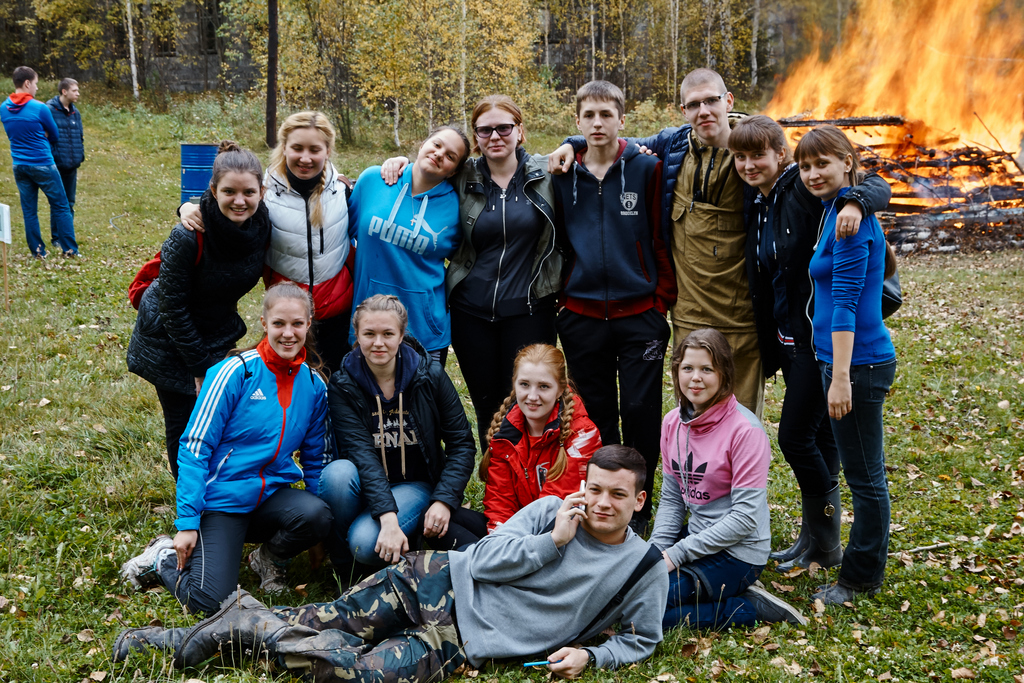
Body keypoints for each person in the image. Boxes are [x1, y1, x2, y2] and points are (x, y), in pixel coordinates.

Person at [112, 446, 670, 683]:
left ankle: (243, 621)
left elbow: (642, 640)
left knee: (358, 673)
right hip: (434, 580)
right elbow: (480, 560)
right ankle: (173, 641)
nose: (601, 503)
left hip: (463, 640)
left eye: (617, 495)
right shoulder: (551, 511)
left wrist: (593, 655)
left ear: (640, 500)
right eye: (595, 489)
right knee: (315, 620)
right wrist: (552, 542)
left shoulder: (641, 567)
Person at [551, 68, 764, 416]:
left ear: (728, 101)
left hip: (740, 313)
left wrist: (855, 198)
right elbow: (608, 137)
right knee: (692, 413)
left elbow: (799, 179)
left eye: (711, 101)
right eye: (694, 104)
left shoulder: (755, 149)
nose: (704, 111)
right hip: (687, 310)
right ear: (683, 110)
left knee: (741, 415)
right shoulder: (674, 145)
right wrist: (572, 144)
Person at [729, 115, 891, 572]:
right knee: (820, 437)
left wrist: (856, 201)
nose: (748, 165)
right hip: (790, 336)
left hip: (817, 343)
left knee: (795, 437)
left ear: (781, 156)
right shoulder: (756, 200)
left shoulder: (802, 190)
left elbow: (874, 183)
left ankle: (826, 534)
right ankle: (819, 541)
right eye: (740, 157)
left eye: (758, 155)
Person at [120, 283, 333, 614]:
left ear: (308, 324)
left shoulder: (314, 385)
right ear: (264, 323)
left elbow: (315, 458)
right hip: (222, 502)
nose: (288, 333)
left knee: (318, 515)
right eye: (279, 324)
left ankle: (268, 559)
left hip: (270, 498)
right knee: (208, 602)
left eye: (296, 324)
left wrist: (318, 536)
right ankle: (162, 557)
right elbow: (195, 447)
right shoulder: (236, 372)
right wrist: (187, 522)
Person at [381, 95, 562, 451]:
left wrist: (574, 143)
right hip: (471, 314)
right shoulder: (462, 176)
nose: (495, 136)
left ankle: (533, 478)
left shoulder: (547, 173)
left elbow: (600, 152)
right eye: (484, 130)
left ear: (520, 130)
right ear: (476, 136)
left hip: (530, 312)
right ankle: (496, 477)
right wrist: (399, 162)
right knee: (488, 407)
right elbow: (424, 171)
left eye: (504, 128)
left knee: (531, 405)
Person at [549, 80, 675, 535]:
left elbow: (659, 236)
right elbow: (559, 241)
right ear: (577, 121)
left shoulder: (647, 168)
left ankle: (639, 508)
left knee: (641, 411)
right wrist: (565, 301)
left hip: (640, 314)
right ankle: (601, 503)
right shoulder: (562, 173)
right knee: (598, 413)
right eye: (589, 115)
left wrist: (660, 301)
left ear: (622, 119)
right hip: (581, 316)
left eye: (607, 114)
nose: (598, 123)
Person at [127, 141, 272, 480]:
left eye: (248, 192)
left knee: (219, 419)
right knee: (186, 424)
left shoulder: (261, 223)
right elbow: (172, 309)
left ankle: (216, 491)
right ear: (213, 190)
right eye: (229, 191)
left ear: (262, 192)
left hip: (217, 331)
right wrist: (200, 368)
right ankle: (188, 500)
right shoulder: (189, 235)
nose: (239, 201)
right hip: (168, 338)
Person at [798, 126, 897, 605]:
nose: (813, 174)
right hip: (838, 361)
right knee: (862, 471)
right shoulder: (834, 210)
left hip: (858, 365)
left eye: (823, 164)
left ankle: (860, 578)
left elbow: (845, 304)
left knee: (865, 478)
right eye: (805, 166)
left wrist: (840, 379)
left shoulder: (851, 223)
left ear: (847, 163)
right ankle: (858, 567)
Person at [651, 329, 806, 630]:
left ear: (724, 373)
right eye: (688, 368)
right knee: (631, 591)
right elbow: (672, 499)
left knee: (649, 609)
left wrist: (677, 554)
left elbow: (745, 519)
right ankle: (724, 590)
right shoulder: (672, 422)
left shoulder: (746, 431)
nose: (696, 378)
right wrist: (656, 552)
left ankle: (747, 606)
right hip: (699, 537)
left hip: (738, 552)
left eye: (707, 369)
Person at [319, 294, 482, 578]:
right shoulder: (343, 384)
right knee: (337, 474)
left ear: (402, 334)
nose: (378, 343)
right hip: (365, 482)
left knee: (364, 543)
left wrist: (443, 500)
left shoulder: (429, 375)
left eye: (387, 334)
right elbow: (362, 455)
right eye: (369, 334)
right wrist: (388, 519)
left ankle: (401, 539)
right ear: (356, 334)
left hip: (415, 483)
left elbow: (462, 444)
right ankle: (345, 569)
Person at [179, 111, 353, 374]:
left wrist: (398, 163)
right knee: (286, 387)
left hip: (337, 314)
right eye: (297, 148)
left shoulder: (343, 191)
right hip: (287, 317)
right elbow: (222, 205)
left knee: (334, 387)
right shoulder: (263, 193)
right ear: (284, 148)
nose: (305, 158)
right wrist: (184, 207)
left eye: (314, 149)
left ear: (327, 151)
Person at [348, 127, 470, 364]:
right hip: (369, 325)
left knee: (421, 390)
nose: (439, 154)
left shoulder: (456, 208)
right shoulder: (373, 180)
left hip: (423, 329)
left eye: (450, 156)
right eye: (436, 144)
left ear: (454, 170)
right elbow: (343, 237)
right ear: (423, 144)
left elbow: (462, 260)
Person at [479, 343, 601, 532]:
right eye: (524, 384)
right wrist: (499, 539)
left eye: (543, 386)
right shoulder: (506, 432)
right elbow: (499, 502)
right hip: (516, 532)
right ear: (514, 384)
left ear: (560, 389)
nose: (532, 396)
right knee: (449, 522)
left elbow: (554, 509)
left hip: (561, 534)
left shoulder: (582, 434)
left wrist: (518, 545)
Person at [0, 66, 78, 257]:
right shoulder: (40, 108)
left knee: (29, 211)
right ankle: (70, 250)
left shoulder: (3, 108)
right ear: (27, 83)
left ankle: (38, 252)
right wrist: (41, 135)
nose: (36, 87)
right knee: (61, 206)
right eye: (35, 83)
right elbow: (55, 134)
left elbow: (13, 133)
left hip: (19, 165)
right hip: (42, 163)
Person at [46, 78, 84, 249]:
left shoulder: (75, 112)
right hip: (56, 165)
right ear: (64, 91)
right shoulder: (49, 110)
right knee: (58, 202)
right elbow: (45, 137)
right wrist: (53, 156)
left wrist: (79, 156)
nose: (77, 93)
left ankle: (67, 235)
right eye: (74, 90)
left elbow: (80, 136)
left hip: (72, 165)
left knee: (69, 202)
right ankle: (56, 238)